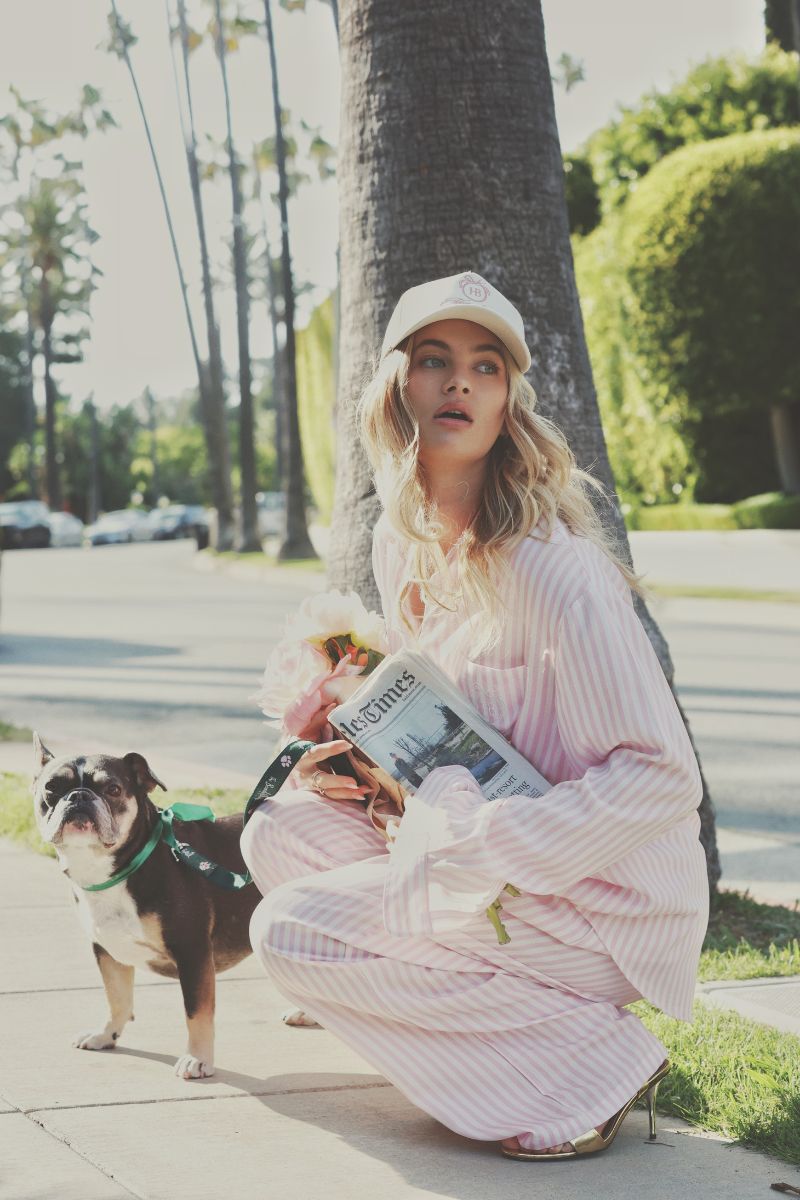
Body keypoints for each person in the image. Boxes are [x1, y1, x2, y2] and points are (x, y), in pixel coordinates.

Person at [241, 270, 709, 1161]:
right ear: (398, 388)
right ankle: (509, 1024)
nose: (459, 380)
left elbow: (661, 779)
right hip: (488, 863)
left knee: (290, 931)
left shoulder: (557, 572)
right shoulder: (401, 540)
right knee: (281, 835)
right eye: (435, 359)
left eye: (486, 366)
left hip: (601, 902)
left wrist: (479, 847)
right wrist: (350, 727)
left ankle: (594, 1063)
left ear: (505, 404)